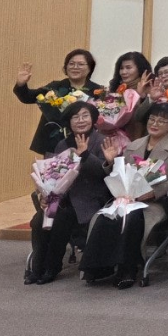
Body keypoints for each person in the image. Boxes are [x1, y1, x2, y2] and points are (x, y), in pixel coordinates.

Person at [79, 102, 168, 289]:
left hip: (158, 201)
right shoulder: (134, 145)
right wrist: (111, 162)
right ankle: (100, 267)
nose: (155, 124)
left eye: (161, 121)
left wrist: (154, 192)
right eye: (152, 119)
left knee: (131, 218)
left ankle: (128, 268)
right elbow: (120, 174)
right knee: (104, 217)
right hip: (128, 198)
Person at [27, 101, 109, 285]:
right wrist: (46, 195)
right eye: (75, 117)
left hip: (88, 199)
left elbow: (104, 172)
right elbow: (54, 174)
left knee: (60, 219)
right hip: (61, 197)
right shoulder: (62, 144)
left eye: (85, 116)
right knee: (40, 220)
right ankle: (36, 268)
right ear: (69, 122)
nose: (81, 120)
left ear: (93, 119)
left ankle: (52, 267)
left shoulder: (101, 141)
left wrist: (85, 155)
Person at [14, 49, 103, 156]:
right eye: (71, 64)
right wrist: (21, 84)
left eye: (80, 64)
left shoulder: (98, 91)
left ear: (90, 68)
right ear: (66, 67)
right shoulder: (55, 87)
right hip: (54, 142)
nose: (75, 67)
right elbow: (27, 97)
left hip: (86, 142)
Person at [109, 51, 154, 140]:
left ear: (140, 69)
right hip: (116, 139)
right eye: (121, 68)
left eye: (128, 68)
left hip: (140, 138)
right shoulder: (117, 90)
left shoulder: (150, 87)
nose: (123, 72)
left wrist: (141, 96)